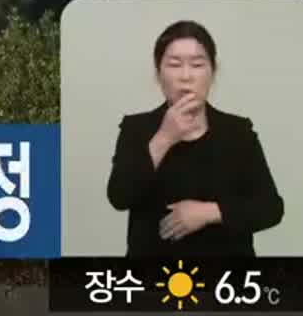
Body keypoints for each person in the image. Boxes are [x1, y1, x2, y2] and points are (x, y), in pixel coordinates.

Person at [105, 20, 284, 256]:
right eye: (174, 65)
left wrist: (210, 212)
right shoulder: (136, 128)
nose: (186, 76)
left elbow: (270, 208)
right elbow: (119, 196)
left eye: (197, 64)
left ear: (212, 73)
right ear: (159, 74)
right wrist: (165, 136)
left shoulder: (238, 132)